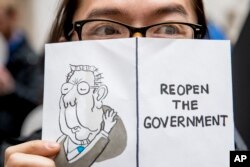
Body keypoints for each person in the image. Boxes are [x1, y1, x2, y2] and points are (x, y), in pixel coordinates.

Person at [4, 0, 210, 166]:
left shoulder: (228, 149)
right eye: (106, 30)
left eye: (169, 29)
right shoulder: (17, 158)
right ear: (67, 48)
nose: (137, 45)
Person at [0, 0, 43, 141]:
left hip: (14, 138)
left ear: (12, 17)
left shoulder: (29, 59)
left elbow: (36, 101)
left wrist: (11, 89)